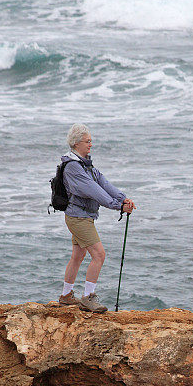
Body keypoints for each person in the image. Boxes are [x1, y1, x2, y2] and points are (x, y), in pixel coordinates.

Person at [58, 123, 136, 311]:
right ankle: (87, 298)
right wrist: (118, 206)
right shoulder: (73, 168)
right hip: (79, 218)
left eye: (91, 141)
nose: (91, 144)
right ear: (76, 143)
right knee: (99, 255)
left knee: (78, 255)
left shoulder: (87, 164)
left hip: (82, 216)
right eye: (88, 141)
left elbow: (104, 183)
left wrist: (123, 198)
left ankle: (66, 295)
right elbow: (93, 190)